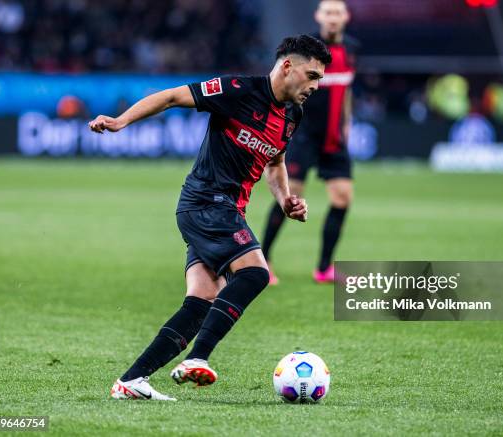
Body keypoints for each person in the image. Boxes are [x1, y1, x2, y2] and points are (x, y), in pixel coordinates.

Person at [88, 35, 331, 400]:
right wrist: (121, 122)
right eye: (312, 75)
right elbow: (171, 96)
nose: (315, 86)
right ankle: (197, 358)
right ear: (287, 66)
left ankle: (131, 381)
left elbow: (276, 162)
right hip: (206, 202)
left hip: (224, 209)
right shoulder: (236, 90)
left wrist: (286, 200)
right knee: (254, 273)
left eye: (319, 79)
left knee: (200, 302)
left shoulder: (292, 115)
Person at [261, 0, 358, 284]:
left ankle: (324, 268)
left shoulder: (353, 50)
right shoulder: (305, 52)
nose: (332, 18)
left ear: (345, 17)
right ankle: (263, 260)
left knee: (343, 197)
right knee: (288, 199)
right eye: (327, 12)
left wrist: (347, 122)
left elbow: (347, 91)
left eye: (337, 13)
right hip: (303, 135)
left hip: (334, 139)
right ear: (318, 16)